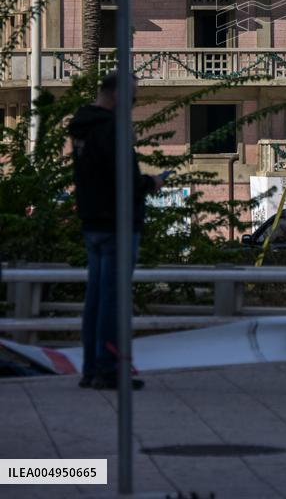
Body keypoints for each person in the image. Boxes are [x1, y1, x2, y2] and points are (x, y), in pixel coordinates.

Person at [69, 72, 163, 391]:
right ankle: (108, 369)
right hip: (117, 224)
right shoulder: (111, 129)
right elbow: (125, 180)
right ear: (117, 94)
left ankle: (91, 367)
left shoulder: (83, 127)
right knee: (113, 299)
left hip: (93, 222)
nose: (134, 104)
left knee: (95, 297)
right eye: (133, 97)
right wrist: (152, 183)